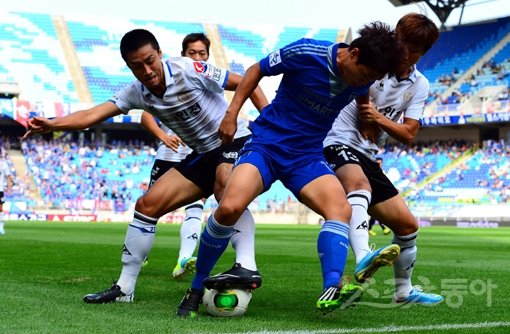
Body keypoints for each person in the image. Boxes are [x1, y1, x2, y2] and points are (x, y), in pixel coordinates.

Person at [176, 22, 405, 317]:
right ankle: (195, 289)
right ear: (354, 53)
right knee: (229, 207)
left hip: (306, 155)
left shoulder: (362, 80)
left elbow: (363, 99)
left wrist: (368, 126)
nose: (367, 82)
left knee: (340, 210)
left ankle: (332, 288)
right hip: (267, 145)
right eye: (368, 75)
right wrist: (232, 114)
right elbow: (255, 70)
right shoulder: (305, 51)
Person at [23, 28, 268, 303]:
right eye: (137, 66)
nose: (147, 70)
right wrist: (52, 124)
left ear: (160, 54)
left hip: (234, 141)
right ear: (129, 67)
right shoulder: (136, 93)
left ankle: (246, 264)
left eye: (150, 60)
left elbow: (249, 81)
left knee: (226, 190)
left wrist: (264, 122)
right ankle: (125, 288)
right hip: (202, 153)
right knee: (146, 206)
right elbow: (92, 114)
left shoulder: (189, 68)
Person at [323, 13, 444, 304]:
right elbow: (354, 83)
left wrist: (376, 118)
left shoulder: (419, 85)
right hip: (335, 141)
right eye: (402, 45)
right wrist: (368, 113)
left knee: (407, 226)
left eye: (414, 51)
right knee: (359, 185)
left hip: (367, 154)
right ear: (395, 38)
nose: (405, 54)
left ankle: (404, 292)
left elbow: (409, 133)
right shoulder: (375, 61)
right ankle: (364, 255)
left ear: (423, 53)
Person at [140, 32, 212, 278]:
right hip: (167, 156)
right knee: (151, 207)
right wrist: (163, 136)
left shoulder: (207, 80)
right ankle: (139, 255)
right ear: (183, 55)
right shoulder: (168, 79)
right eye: (192, 53)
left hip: (195, 155)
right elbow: (145, 115)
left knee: (195, 207)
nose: (197, 56)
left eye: (202, 53)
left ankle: (184, 258)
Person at [367, 158, 391, 236]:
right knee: (379, 213)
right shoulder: (371, 171)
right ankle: (383, 228)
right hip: (373, 194)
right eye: (378, 163)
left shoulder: (381, 172)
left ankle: (369, 229)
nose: (379, 164)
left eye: (380, 163)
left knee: (376, 214)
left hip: (379, 194)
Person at [0, 151, 13, 235]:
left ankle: (1, 228)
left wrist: (9, 188)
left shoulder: (3, 164)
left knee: (0, 209)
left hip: (0, 189)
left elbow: (8, 177)